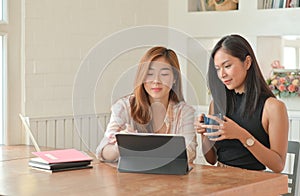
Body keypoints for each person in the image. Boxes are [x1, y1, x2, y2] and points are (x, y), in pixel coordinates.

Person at [195, 34, 289, 173]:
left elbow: (278, 165)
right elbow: (212, 159)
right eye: (217, 68)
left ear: (247, 62)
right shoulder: (217, 104)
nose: (222, 74)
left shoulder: (273, 107)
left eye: (227, 66)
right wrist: (204, 133)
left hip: (255, 183)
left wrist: (241, 135)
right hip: (220, 179)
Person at [96, 46, 197, 163]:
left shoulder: (184, 112)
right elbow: (103, 151)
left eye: (164, 74)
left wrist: (140, 149)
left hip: (171, 178)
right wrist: (120, 146)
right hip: (132, 178)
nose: (156, 81)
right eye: (150, 74)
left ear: (174, 78)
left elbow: (189, 152)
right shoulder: (124, 107)